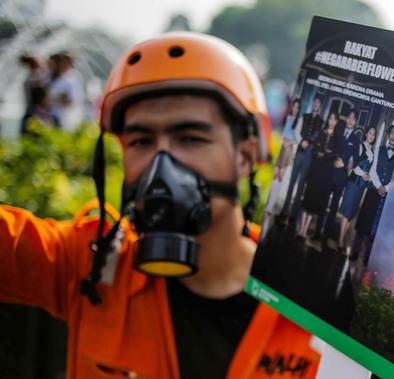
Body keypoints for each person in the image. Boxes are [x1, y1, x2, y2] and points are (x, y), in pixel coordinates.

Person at [0, 32, 323, 379]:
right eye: (141, 140)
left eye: (190, 138)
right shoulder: (90, 266)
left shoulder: (312, 305)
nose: (161, 164)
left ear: (245, 156)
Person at [350, 124, 394, 264]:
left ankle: (368, 257)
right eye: (391, 133)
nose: (393, 136)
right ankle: (355, 250)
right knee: (364, 223)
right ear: (388, 135)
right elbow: (372, 171)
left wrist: (386, 188)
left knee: (376, 228)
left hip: (386, 196)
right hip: (373, 191)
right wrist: (379, 186)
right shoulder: (379, 150)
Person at [313, 110, 361, 246]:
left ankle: (325, 236)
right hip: (329, 173)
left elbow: (356, 160)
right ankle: (317, 232)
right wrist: (334, 160)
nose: (351, 121)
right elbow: (330, 149)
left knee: (334, 208)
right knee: (323, 203)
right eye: (349, 118)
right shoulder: (338, 132)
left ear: (356, 122)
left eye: (353, 119)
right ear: (346, 119)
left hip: (341, 179)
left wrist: (345, 164)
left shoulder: (356, 140)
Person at [297, 111, 340, 239]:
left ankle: (305, 230)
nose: (331, 121)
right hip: (314, 170)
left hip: (324, 175)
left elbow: (335, 154)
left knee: (315, 202)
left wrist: (325, 154)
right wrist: (323, 152)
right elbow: (315, 148)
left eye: (334, 120)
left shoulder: (337, 137)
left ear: (337, 122)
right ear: (328, 120)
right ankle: (301, 229)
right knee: (307, 200)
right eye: (330, 119)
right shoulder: (322, 132)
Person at [281, 97, 324, 221]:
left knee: (301, 185)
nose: (316, 104)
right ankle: (284, 210)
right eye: (315, 102)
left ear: (320, 105)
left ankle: (294, 214)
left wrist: (310, 144)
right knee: (291, 182)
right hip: (300, 153)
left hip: (309, 156)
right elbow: (297, 132)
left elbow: (319, 137)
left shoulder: (322, 122)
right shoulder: (303, 116)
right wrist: (302, 142)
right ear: (313, 104)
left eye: (318, 103)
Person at [263, 98, 301, 233]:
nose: (295, 109)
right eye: (294, 107)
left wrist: (289, 142)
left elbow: (298, 138)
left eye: (297, 107)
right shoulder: (287, 118)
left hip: (288, 148)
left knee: (280, 177)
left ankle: (271, 205)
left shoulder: (299, 121)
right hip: (281, 146)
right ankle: (268, 204)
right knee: (275, 175)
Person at [336, 125, 376, 252]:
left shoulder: (373, 151)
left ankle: (341, 238)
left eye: (373, 134)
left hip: (361, 186)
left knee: (352, 212)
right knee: (347, 210)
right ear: (366, 134)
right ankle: (340, 240)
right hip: (354, 182)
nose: (371, 136)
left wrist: (368, 176)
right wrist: (363, 174)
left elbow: (369, 169)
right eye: (370, 133)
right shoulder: (360, 145)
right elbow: (354, 164)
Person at [48, 52, 84, 131]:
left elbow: (73, 99)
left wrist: (56, 98)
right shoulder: (57, 76)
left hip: (65, 117)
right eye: (61, 62)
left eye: (65, 62)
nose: (61, 64)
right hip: (54, 114)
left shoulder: (73, 78)